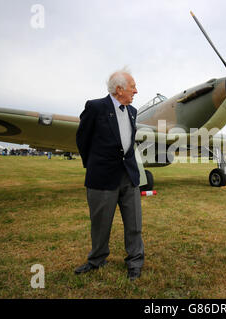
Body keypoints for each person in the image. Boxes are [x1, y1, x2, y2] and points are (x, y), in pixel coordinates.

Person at [75, 68, 144, 281]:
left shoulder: (132, 112)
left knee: (134, 223)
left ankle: (135, 262)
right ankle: (96, 259)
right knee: (101, 223)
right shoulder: (95, 107)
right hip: (102, 177)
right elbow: (82, 139)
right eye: (133, 87)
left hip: (129, 175)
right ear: (119, 89)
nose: (136, 91)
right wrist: (95, 166)